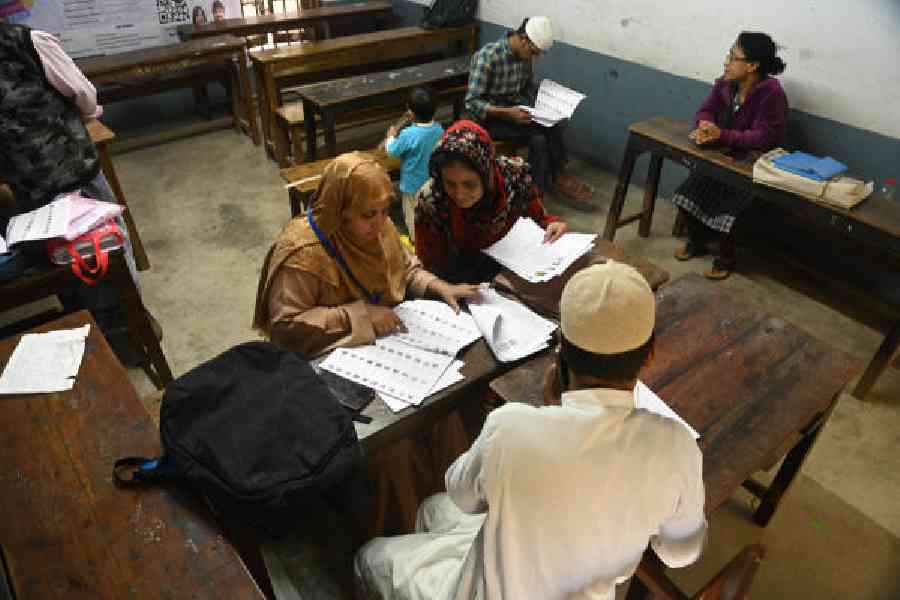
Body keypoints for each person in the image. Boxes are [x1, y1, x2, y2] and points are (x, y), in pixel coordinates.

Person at [355, 261, 707, 600]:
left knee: (371, 557)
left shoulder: (512, 428)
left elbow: (463, 494)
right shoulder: (676, 446)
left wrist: (551, 416)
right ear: (649, 356)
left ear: (560, 354)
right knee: (432, 510)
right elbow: (680, 554)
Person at [253, 152, 482, 535]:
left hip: (386, 343)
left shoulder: (378, 226)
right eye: (367, 215)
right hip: (328, 359)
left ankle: (454, 519)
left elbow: (404, 266)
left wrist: (438, 286)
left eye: (383, 211)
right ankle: (403, 533)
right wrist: (357, 314)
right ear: (339, 210)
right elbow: (286, 324)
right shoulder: (302, 253)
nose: (379, 225)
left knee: (444, 415)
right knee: (392, 445)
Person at [0, 20, 150, 359]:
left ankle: (93, 332)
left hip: (27, 184)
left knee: (60, 259)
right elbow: (83, 94)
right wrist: (88, 111)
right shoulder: (30, 42)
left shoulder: (29, 42)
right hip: (69, 168)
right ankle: (132, 331)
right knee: (108, 247)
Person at [672, 31, 788, 280]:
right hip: (724, 156)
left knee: (730, 212)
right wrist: (705, 125)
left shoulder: (772, 94)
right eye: (728, 54)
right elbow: (706, 109)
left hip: (753, 166)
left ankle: (726, 258)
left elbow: (763, 138)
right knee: (685, 195)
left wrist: (721, 135)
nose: (727, 62)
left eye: (733, 57)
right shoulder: (725, 84)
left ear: (752, 66)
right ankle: (698, 241)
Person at [415, 119, 568, 283]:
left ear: (487, 174)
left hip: (514, 271)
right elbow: (430, 264)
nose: (459, 194)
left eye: (469, 184)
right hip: (459, 282)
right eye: (450, 184)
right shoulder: (431, 201)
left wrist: (552, 225)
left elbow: (539, 218)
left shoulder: (514, 176)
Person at [465, 16, 594, 208]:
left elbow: (526, 86)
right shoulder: (488, 56)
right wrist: (507, 112)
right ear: (524, 39)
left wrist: (547, 100)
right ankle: (553, 179)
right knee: (540, 135)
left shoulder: (524, 57)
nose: (535, 58)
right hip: (488, 119)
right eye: (534, 52)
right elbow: (472, 103)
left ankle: (536, 192)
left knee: (549, 128)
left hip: (515, 112)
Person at [384, 87, 444, 243]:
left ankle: (418, 244)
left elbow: (392, 151)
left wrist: (390, 137)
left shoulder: (408, 134)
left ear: (411, 113)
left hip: (412, 186)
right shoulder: (438, 129)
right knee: (430, 213)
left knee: (412, 217)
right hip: (431, 182)